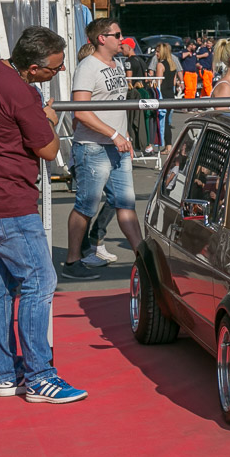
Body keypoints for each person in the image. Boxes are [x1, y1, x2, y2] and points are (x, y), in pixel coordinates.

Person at [0, 25, 87, 404]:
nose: (60, 72)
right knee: (39, 281)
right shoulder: (21, 93)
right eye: (55, 68)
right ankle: (39, 376)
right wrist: (48, 119)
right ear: (32, 67)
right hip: (8, 202)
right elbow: (48, 149)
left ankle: (6, 374)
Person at [62, 18, 142, 279]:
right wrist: (114, 134)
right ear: (102, 38)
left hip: (117, 146)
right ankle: (73, 261)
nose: (122, 39)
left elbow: (117, 105)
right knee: (87, 205)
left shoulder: (117, 64)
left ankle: (143, 257)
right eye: (117, 35)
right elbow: (81, 111)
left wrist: (124, 135)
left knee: (126, 203)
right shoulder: (88, 67)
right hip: (93, 147)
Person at [153, 42, 180, 152]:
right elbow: (173, 82)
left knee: (162, 122)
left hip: (163, 95)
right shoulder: (172, 64)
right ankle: (169, 145)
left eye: (157, 51)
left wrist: (152, 82)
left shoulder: (160, 65)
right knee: (167, 122)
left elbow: (158, 83)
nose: (156, 54)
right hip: (170, 95)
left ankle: (167, 145)